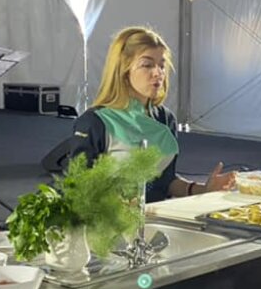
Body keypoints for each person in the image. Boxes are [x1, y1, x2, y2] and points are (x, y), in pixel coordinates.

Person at [69, 27, 235, 202]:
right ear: (123, 70)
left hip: (157, 215)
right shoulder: (96, 121)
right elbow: (79, 191)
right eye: (147, 65)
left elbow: (165, 182)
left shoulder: (165, 119)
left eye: (162, 65)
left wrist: (204, 189)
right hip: (112, 218)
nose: (158, 73)